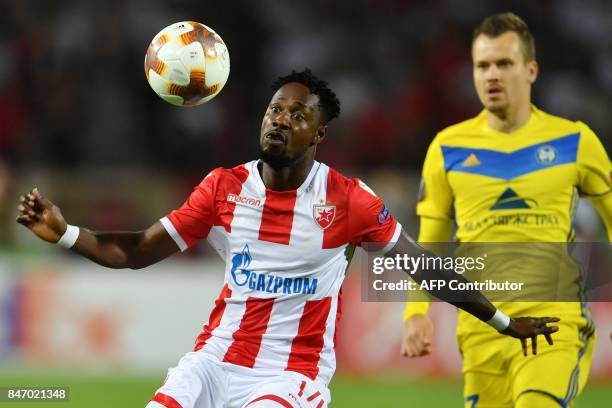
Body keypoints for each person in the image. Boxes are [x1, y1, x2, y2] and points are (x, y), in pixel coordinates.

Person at [17, 69, 558, 408]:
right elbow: (134, 252)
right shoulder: (223, 188)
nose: (280, 120)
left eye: (297, 115)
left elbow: (425, 268)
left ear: (319, 135)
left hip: (290, 375)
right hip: (213, 362)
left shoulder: (350, 201)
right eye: (275, 109)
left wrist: (504, 323)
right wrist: (65, 233)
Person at [401, 13, 611, 408]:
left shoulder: (575, 140)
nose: (492, 75)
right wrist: (416, 311)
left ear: (530, 70)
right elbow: (429, 241)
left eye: (504, 63)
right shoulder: (448, 147)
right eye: (483, 65)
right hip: (483, 329)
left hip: (554, 323)